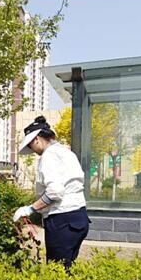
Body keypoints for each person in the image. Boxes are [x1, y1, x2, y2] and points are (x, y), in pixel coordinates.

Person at [13, 115, 89, 271]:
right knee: (68, 268)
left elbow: (55, 192)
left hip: (62, 220)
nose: (33, 151)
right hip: (78, 218)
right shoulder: (65, 152)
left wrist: (30, 209)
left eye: (31, 146)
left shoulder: (48, 156)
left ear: (36, 139)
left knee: (56, 271)